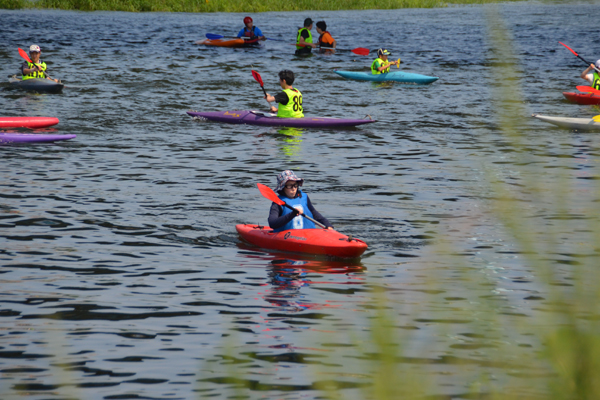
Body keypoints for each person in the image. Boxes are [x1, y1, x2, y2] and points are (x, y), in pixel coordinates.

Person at [268, 170, 333, 232]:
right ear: (282, 188)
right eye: (290, 185)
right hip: (288, 237)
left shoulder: (304, 197)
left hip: (309, 234)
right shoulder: (277, 202)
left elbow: (314, 213)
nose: (293, 188)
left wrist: (327, 224)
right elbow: (272, 223)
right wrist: (292, 214)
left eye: (295, 185)